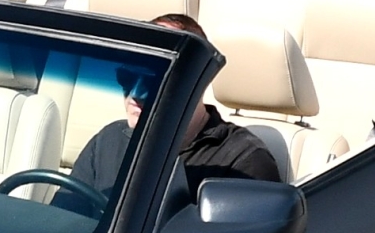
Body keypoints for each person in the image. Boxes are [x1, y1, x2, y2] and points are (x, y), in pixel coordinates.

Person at [67, 13, 283, 200]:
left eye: (154, 79)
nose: (135, 94)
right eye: (127, 76)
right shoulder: (107, 141)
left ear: (198, 83)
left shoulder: (242, 160)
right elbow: (60, 225)